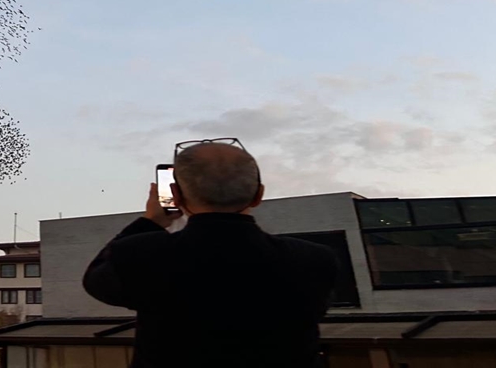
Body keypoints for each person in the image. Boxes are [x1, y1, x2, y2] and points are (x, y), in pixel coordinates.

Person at [82, 141, 339, 368]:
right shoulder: (314, 259)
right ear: (258, 195)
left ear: (177, 196)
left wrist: (151, 220)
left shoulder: (142, 253)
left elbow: (96, 281)